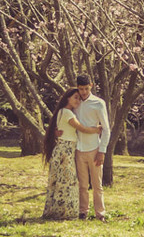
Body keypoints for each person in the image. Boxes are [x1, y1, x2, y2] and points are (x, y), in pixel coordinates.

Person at [42, 89, 102, 220]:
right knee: (67, 181)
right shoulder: (67, 113)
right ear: (67, 98)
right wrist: (97, 130)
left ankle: (60, 211)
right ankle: (64, 213)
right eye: (75, 97)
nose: (78, 100)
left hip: (67, 149)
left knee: (63, 181)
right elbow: (82, 128)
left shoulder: (64, 112)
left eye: (79, 98)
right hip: (65, 150)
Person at [74, 75, 111, 221]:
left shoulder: (98, 103)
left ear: (91, 85)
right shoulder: (75, 102)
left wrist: (102, 151)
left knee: (97, 184)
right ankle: (83, 211)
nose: (83, 92)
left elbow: (106, 129)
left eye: (86, 88)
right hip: (79, 149)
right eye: (81, 89)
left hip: (94, 148)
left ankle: (100, 213)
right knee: (82, 184)